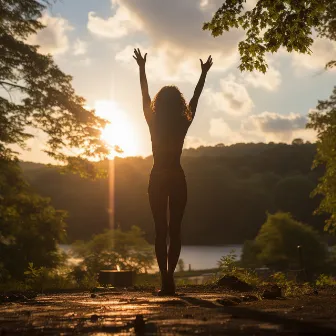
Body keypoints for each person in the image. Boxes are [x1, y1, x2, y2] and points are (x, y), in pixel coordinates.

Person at [133, 48, 213, 295]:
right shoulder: (183, 120)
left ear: (160, 103)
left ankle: (164, 279)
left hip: (157, 177)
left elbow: (144, 94)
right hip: (177, 177)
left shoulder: (152, 120)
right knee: (175, 229)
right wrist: (203, 74)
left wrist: (142, 68)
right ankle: (170, 279)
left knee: (160, 230)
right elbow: (195, 99)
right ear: (178, 103)